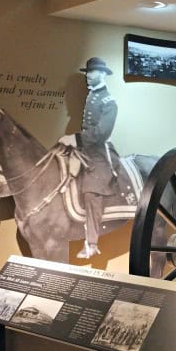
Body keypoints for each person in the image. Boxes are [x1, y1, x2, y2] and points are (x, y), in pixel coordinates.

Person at [59, 57, 119, 259]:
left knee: (92, 193)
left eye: (92, 72)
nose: (88, 76)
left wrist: (75, 138)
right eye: (87, 72)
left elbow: (102, 132)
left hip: (99, 153)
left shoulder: (108, 102)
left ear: (103, 74)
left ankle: (92, 243)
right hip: (85, 149)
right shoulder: (92, 96)